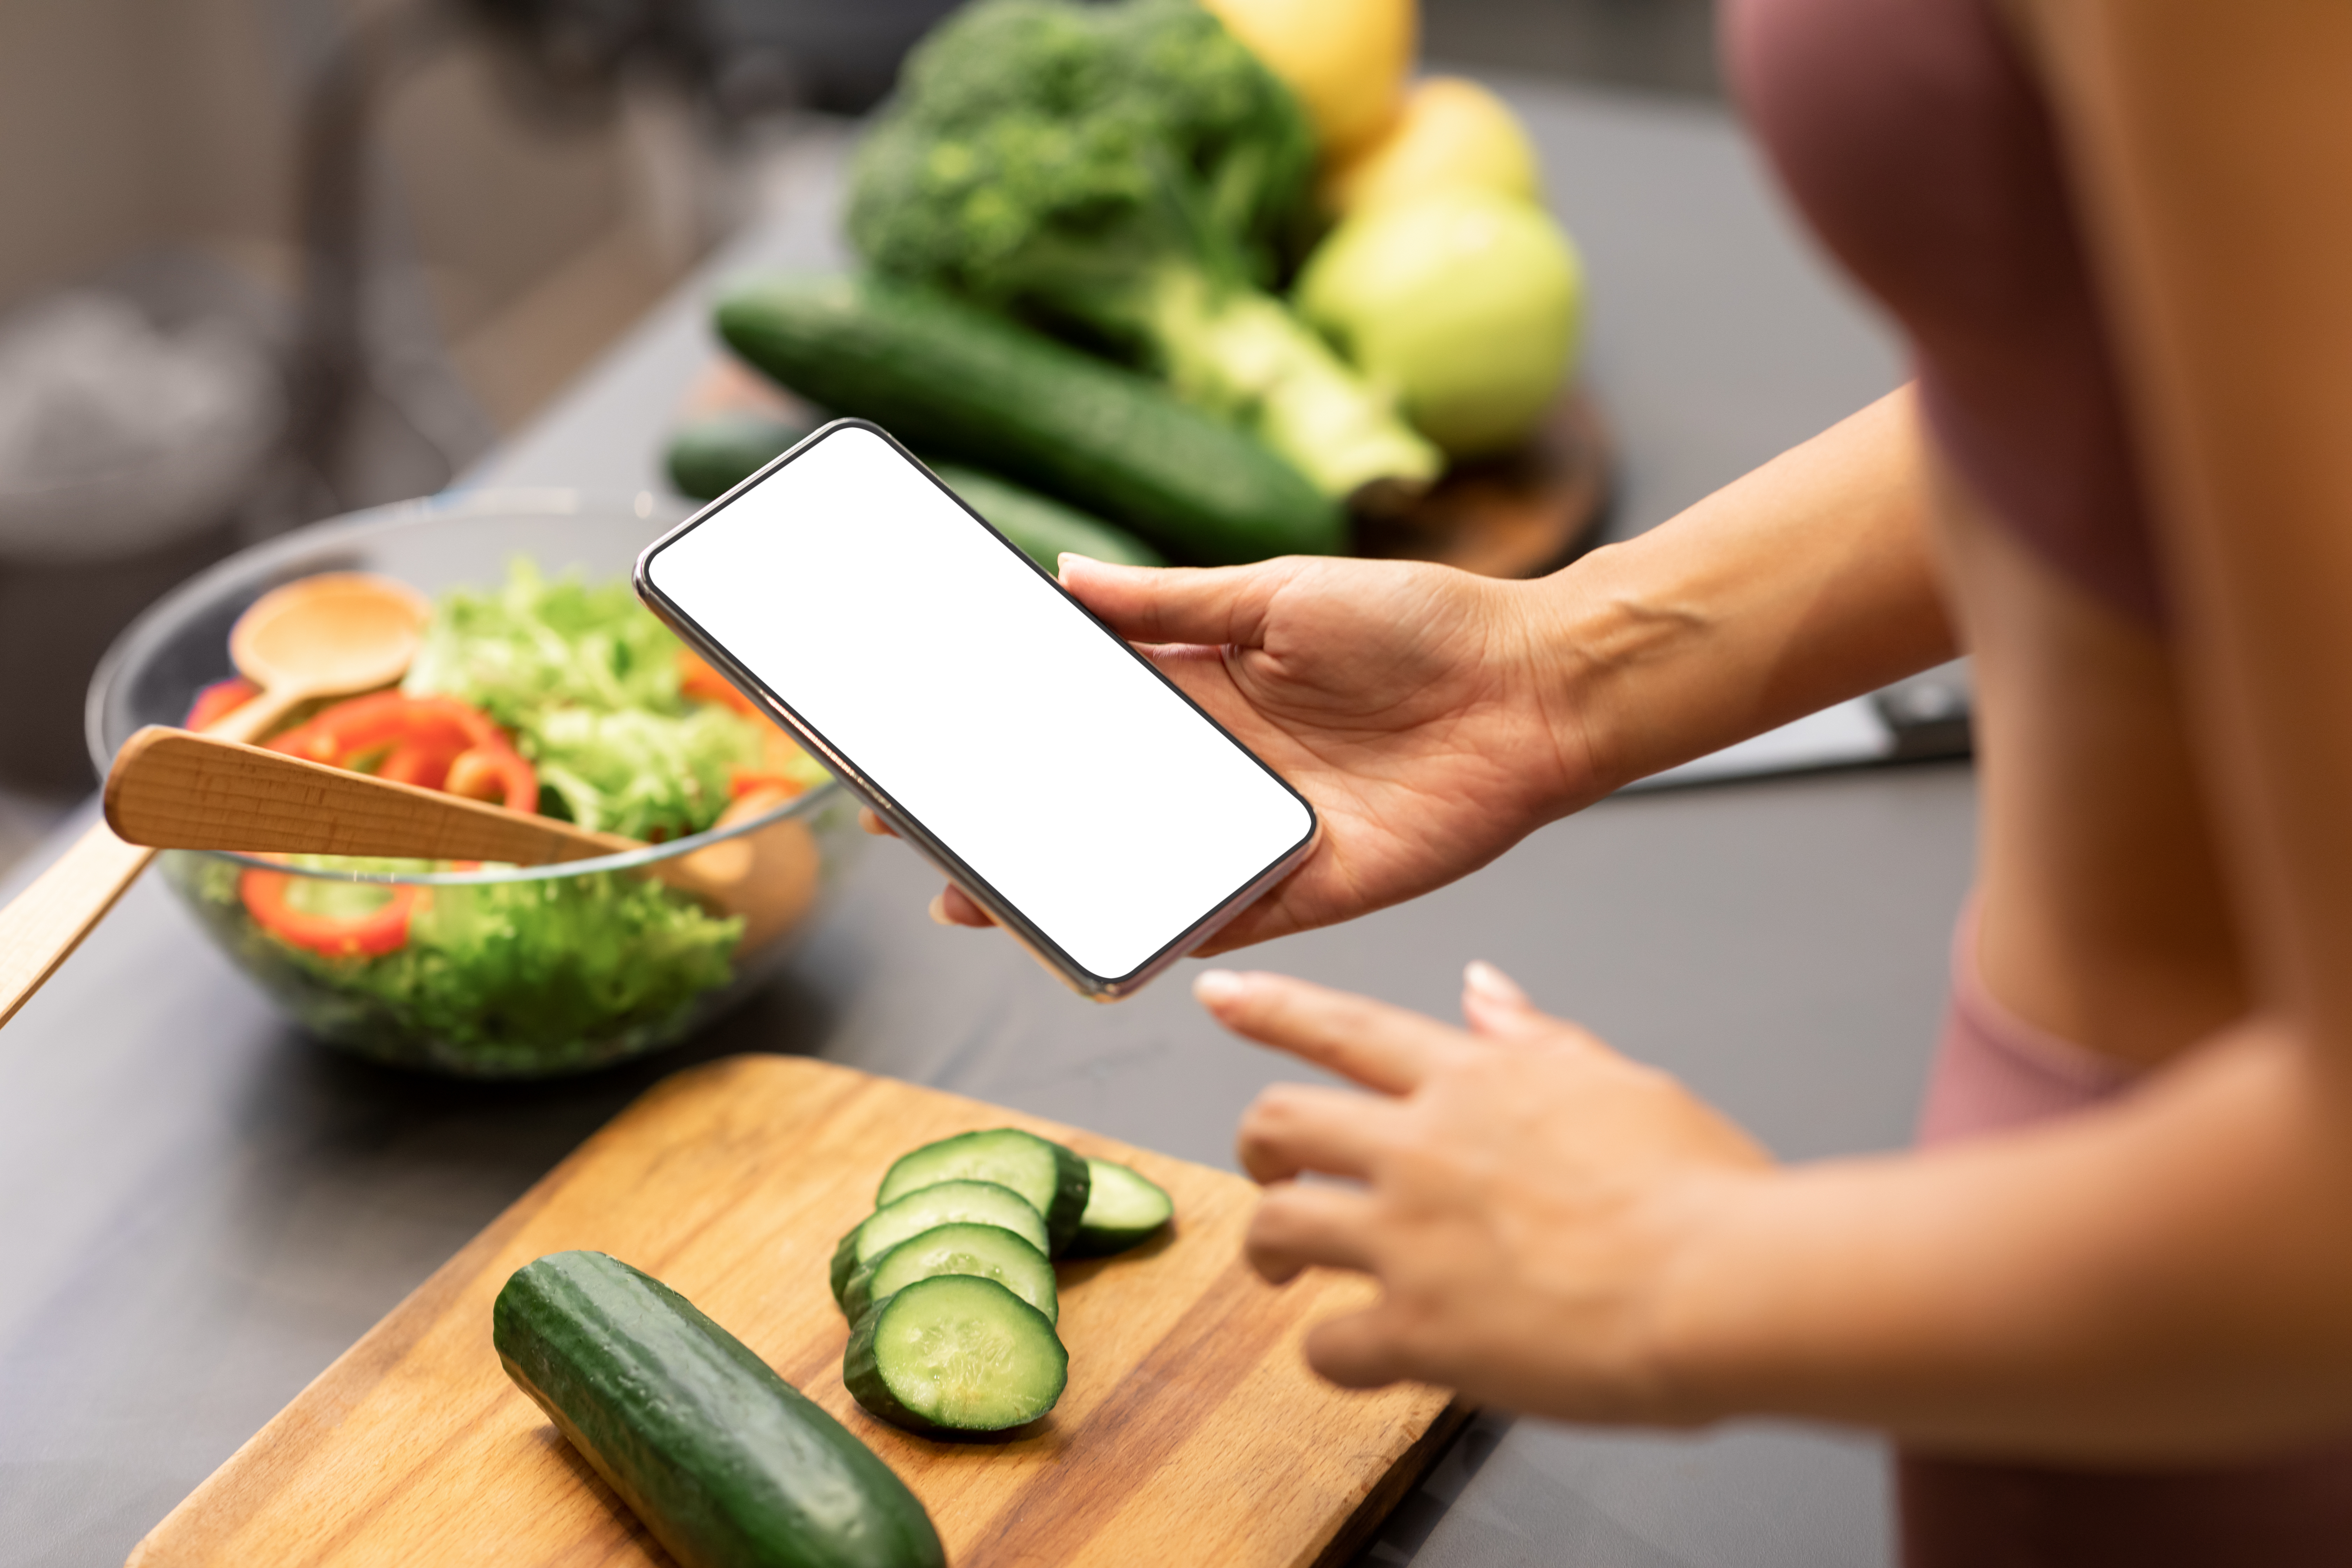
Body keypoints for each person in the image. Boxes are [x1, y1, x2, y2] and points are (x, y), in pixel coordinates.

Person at [902, 1, 2352, 1559]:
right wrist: (1555, 671)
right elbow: (2108, 354)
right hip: (2094, 1203)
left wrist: (1695, 1270)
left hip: (2225, 1276)